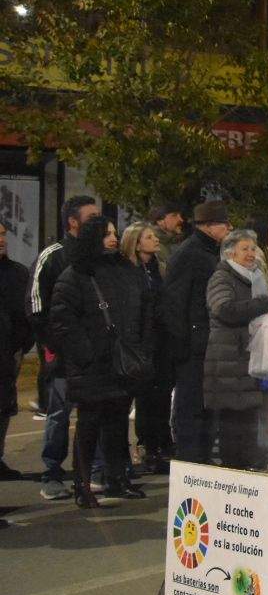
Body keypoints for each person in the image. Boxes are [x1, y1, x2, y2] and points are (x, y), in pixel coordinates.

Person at [50, 216, 154, 507]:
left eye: (114, 233)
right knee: (89, 426)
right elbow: (63, 321)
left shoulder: (125, 270)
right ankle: (82, 486)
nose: (113, 238)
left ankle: (116, 480)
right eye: (106, 233)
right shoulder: (75, 274)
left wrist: (139, 347)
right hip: (92, 367)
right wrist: (86, 354)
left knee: (117, 425)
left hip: (120, 363)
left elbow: (142, 310)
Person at [205, 229, 268, 469]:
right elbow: (224, 309)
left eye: (253, 248)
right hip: (230, 359)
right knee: (233, 423)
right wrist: (267, 301)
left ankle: (248, 469)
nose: (251, 253)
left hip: (248, 359)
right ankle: (233, 474)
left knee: (248, 420)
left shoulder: (255, 276)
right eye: (244, 249)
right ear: (230, 253)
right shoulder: (222, 277)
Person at [31, 194, 100, 500]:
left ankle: (91, 473)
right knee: (59, 414)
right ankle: (52, 473)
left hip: (94, 354)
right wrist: (52, 344)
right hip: (62, 354)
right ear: (73, 222)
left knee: (93, 412)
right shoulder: (52, 256)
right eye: (91, 217)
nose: (98, 222)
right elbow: (36, 306)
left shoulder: (100, 256)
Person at [161, 201, 231, 465]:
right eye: (224, 223)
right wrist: (183, 344)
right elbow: (175, 302)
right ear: (209, 226)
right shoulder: (190, 254)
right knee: (192, 406)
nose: (228, 228)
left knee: (206, 406)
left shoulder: (208, 252)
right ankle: (191, 462)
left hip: (205, 342)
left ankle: (201, 460)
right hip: (193, 345)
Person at [122, 222, 171, 475]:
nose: (155, 240)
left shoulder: (159, 269)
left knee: (160, 398)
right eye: (149, 237)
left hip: (160, 343)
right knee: (144, 400)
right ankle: (145, 447)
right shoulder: (128, 271)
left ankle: (159, 446)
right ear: (136, 242)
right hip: (139, 345)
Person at [0, 221, 33, 481]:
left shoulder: (17, 273)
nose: (2, 240)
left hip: (9, 351)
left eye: (3, 234)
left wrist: (22, 345)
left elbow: (27, 312)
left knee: (4, 407)